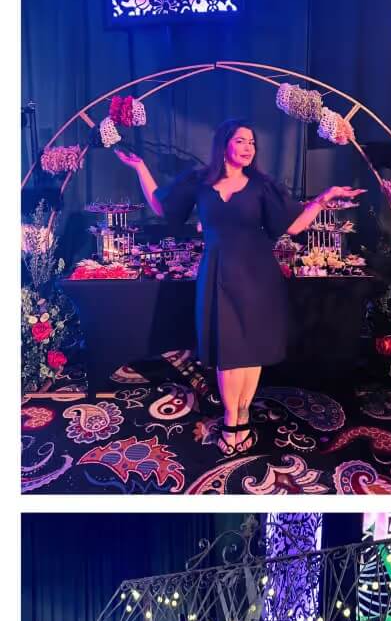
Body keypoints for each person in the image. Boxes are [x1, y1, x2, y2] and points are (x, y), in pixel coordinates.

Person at [116, 121, 362, 454]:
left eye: (252, 142)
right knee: (229, 351)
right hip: (218, 273)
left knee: (251, 349)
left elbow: (293, 225)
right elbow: (162, 207)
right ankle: (232, 418)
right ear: (224, 144)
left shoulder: (262, 185)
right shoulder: (199, 182)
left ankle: (242, 413)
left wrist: (323, 198)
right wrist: (141, 169)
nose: (248, 147)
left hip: (258, 276)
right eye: (240, 140)